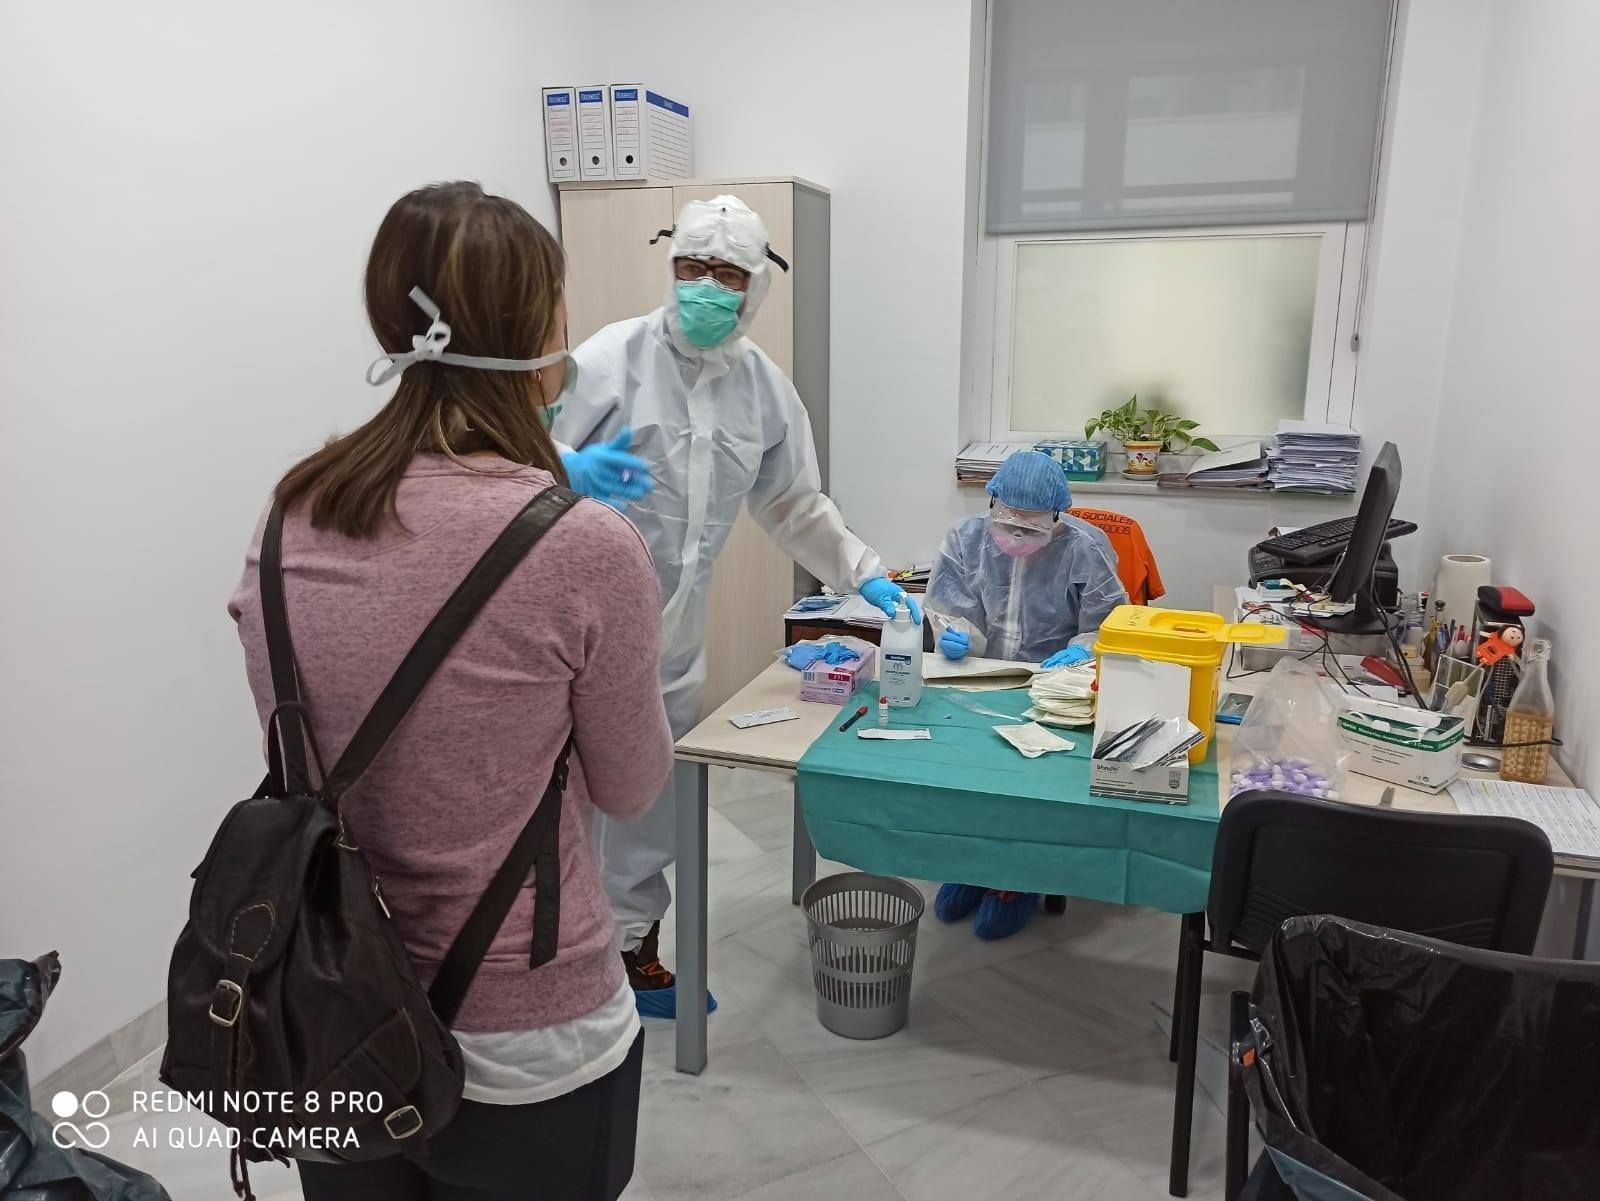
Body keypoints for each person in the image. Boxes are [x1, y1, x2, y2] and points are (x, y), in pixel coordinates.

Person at [229, 182, 673, 1201]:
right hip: (526, 1016)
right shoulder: (582, 547)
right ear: (536, 327)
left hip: (328, 997)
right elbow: (633, 784)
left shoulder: (287, 515)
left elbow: (308, 731)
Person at [554, 194, 916, 1017]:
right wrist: (566, 466)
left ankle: (632, 947)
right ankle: (557, 960)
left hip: (675, 633)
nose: (704, 287)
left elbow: (793, 504)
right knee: (564, 794)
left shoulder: (765, 390)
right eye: (690, 267)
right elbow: (522, 445)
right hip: (575, 622)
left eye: (725, 273)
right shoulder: (611, 359)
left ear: (757, 287)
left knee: (651, 797)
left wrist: (863, 572)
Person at [922, 450, 1127, 940]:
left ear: (1058, 514)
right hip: (984, 677)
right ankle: (972, 866)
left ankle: (1023, 881)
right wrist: (959, 637)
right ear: (991, 501)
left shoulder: (1087, 547)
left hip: (1058, 689)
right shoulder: (966, 538)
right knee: (972, 779)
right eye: (1007, 519)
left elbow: (1110, 625)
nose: (1016, 534)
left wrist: (1080, 652)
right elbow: (952, 609)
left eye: (1031, 525)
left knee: (1036, 789)